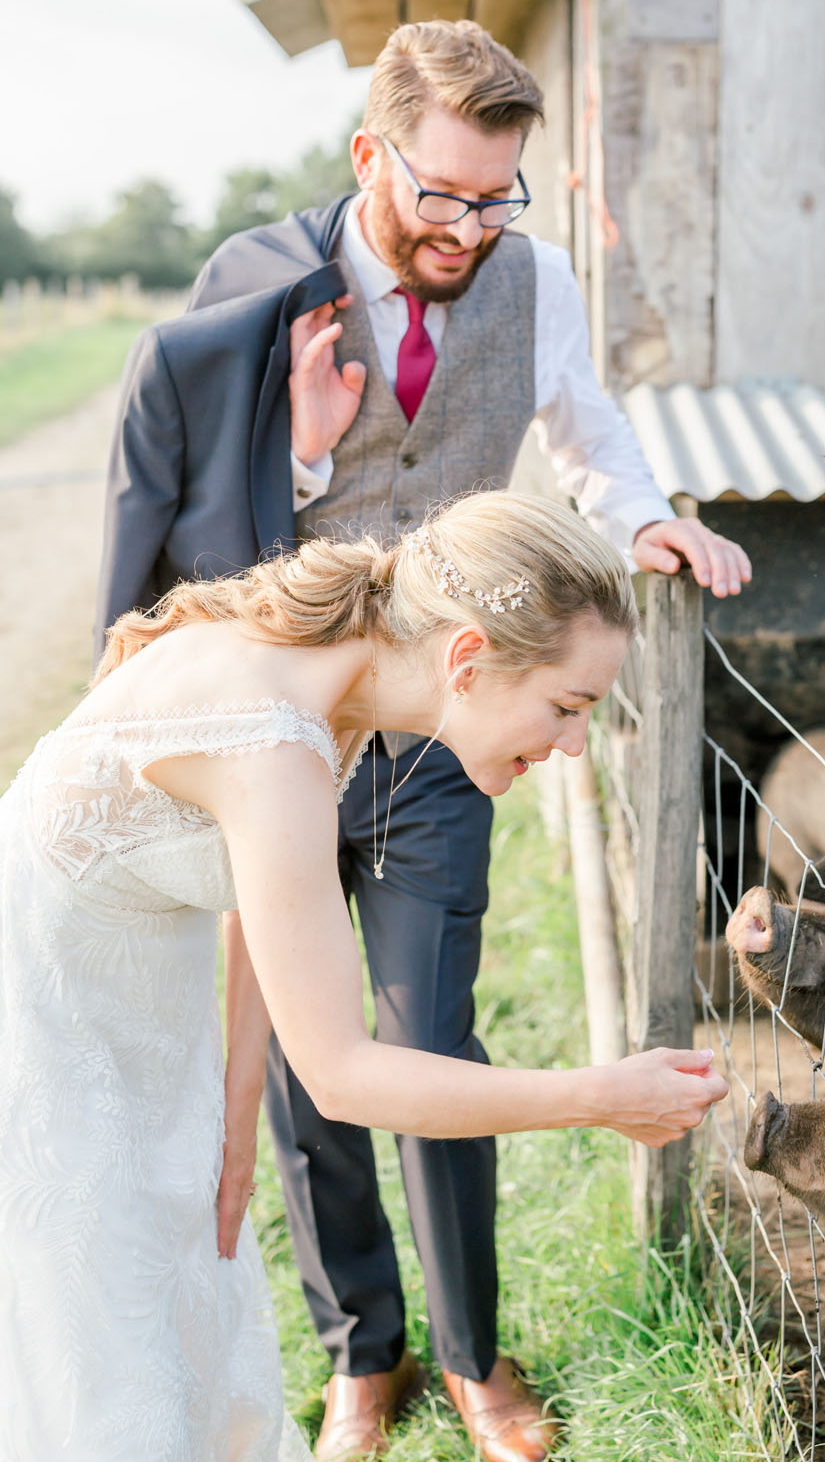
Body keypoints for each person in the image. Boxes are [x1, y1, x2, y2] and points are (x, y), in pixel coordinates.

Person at [95, 19, 751, 1462]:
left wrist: (641, 519)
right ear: (369, 158)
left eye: (496, 196)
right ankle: (360, 1352)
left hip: (450, 737)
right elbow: (200, 507)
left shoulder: (533, 281)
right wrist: (313, 454)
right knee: (302, 1055)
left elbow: (588, 431)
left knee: (429, 1035)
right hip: (284, 727)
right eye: (442, 194)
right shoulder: (254, 290)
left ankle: (470, 1353)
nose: (469, 225)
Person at [3, 492, 728, 1462]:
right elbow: (343, 1075)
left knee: (180, 1315)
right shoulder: (276, 740)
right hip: (49, 1038)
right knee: (102, 1363)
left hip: (134, 1012)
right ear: (466, 660)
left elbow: (263, 907)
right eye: (567, 707)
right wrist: (601, 1098)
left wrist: (234, 1110)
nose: (572, 747)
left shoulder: (333, 686)